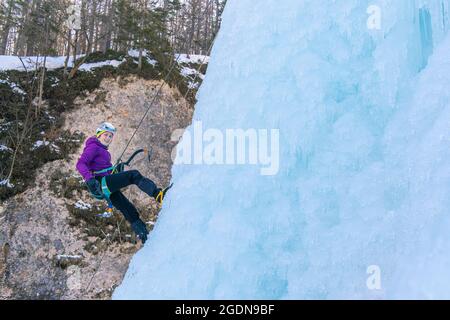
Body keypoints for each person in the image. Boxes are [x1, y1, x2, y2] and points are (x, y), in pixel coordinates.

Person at [76, 122, 167, 244]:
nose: (108, 138)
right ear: (99, 134)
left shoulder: (104, 152)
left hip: (104, 186)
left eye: (110, 136)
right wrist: (89, 179)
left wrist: (115, 171)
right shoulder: (93, 147)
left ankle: (144, 236)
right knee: (133, 175)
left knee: (128, 208)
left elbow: (102, 169)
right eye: (106, 135)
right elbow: (80, 163)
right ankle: (158, 195)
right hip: (99, 183)